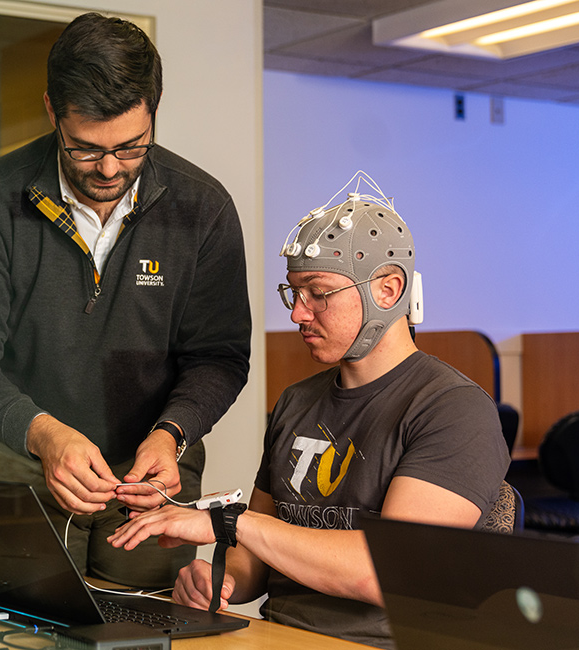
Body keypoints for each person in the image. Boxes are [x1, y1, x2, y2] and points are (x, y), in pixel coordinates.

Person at [108, 174, 510, 648]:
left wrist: (231, 521)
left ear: (388, 289)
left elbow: (386, 573)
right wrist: (222, 577)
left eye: (318, 293)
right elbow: (257, 558)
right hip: (277, 635)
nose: (298, 313)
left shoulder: (454, 410)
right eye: (293, 293)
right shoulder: (297, 402)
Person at [0, 12, 251, 589]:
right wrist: (42, 433)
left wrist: (173, 432)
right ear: (53, 111)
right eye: (85, 150)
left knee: (145, 624)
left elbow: (220, 356)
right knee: (16, 627)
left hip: (147, 484)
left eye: (132, 148)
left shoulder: (204, 209)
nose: (108, 168)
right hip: (19, 463)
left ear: (154, 109)